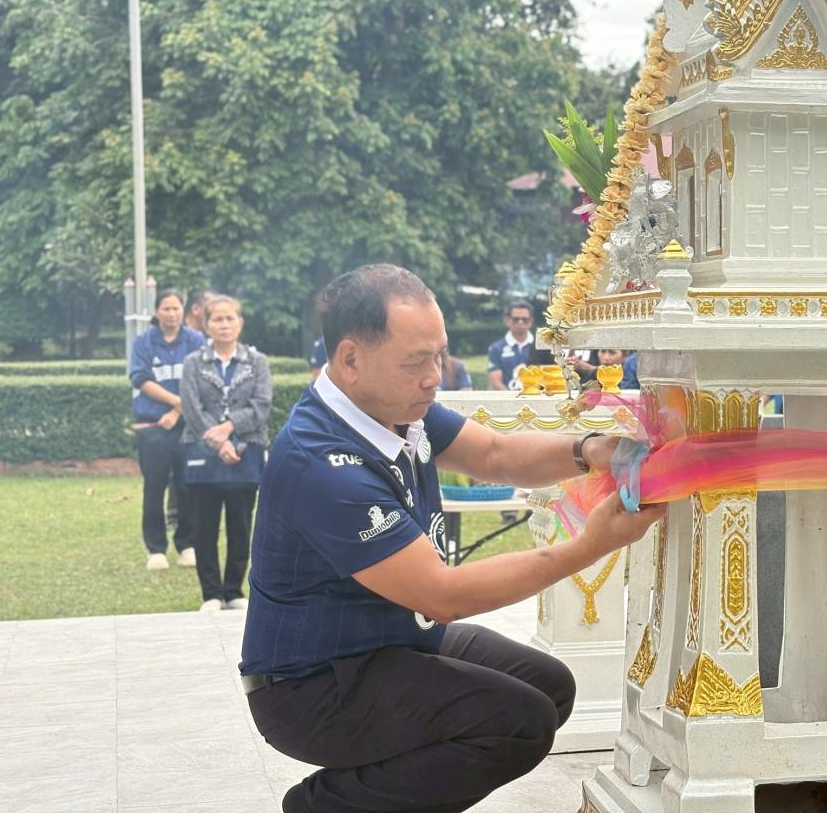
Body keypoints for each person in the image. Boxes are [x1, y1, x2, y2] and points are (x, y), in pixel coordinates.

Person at [239, 264, 663, 813]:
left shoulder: (391, 409)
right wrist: (588, 546)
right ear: (350, 360)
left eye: (437, 355)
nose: (434, 376)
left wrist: (589, 450)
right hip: (310, 686)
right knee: (518, 721)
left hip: (386, 639)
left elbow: (494, 454)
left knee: (548, 686)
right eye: (416, 362)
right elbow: (442, 594)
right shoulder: (322, 463)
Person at [180, 295, 273, 612]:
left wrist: (230, 429)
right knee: (203, 526)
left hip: (247, 448)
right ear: (206, 325)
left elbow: (261, 406)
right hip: (202, 450)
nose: (224, 324)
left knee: (241, 522)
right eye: (217, 319)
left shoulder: (256, 362)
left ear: (240, 323)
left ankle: (233, 590)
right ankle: (210, 593)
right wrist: (219, 441)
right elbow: (192, 409)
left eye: (230, 318)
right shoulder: (194, 362)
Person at [128, 289, 205, 571]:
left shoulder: (196, 340)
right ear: (156, 311)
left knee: (188, 486)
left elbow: (201, 380)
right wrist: (174, 403)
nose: (171, 314)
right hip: (153, 426)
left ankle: (187, 545)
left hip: (188, 427)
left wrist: (177, 412)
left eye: (176, 309)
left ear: (183, 312)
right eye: (166, 308)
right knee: (154, 486)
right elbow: (140, 378)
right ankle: (156, 549)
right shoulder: (143, 341)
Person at [486, 299, 537, 389]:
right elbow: (496, 383)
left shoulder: (540, 347)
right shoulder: (496, 348)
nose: (520, 322)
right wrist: (512, 401)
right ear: (507, 320)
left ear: (531, 321)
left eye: (525, 319)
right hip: (507, 400)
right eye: (516, 319)